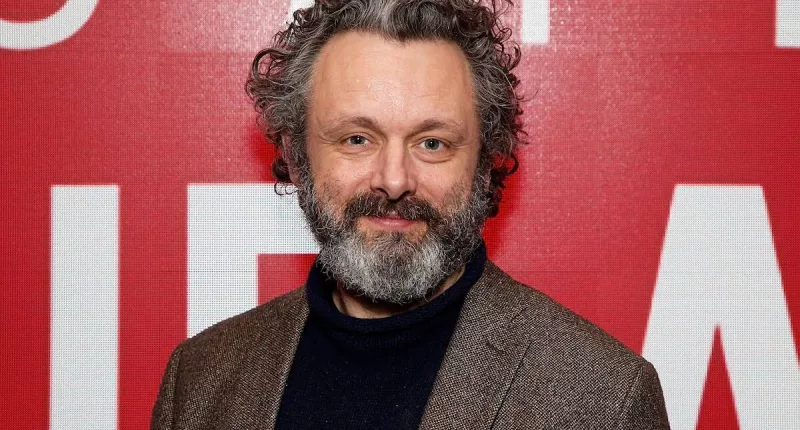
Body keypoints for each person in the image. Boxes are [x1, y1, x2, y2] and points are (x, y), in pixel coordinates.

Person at [151, 1, 671, 428]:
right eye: (357, 138)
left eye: (432, 142)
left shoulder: (601, 399)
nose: (395, 180)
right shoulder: (200, 380)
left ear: (486, 159)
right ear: (295, 151)